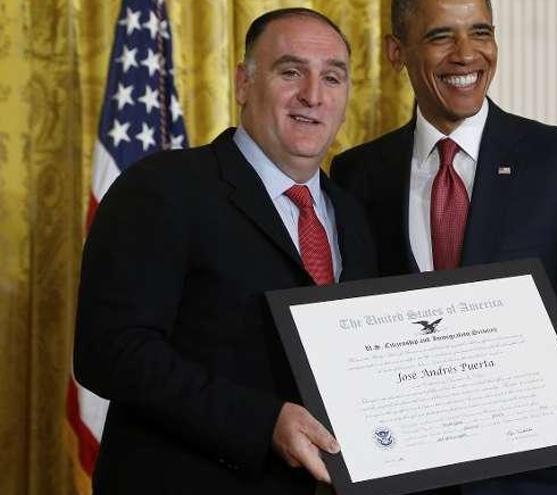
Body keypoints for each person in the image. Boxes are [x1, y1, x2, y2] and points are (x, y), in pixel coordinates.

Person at [330, 0, 557, 493]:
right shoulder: (359, 173)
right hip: (408, 477)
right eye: (441, 37)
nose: (467, 54)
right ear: (396, 51)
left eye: (481, 32)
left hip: (540, 477)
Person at [74, 8, 376, 494]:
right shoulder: (161, 189)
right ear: (242, 83)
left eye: (333, 78)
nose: (313, 96)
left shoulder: (354, 215)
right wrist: (262, 423)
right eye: (291, 71)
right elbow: (111, 351)